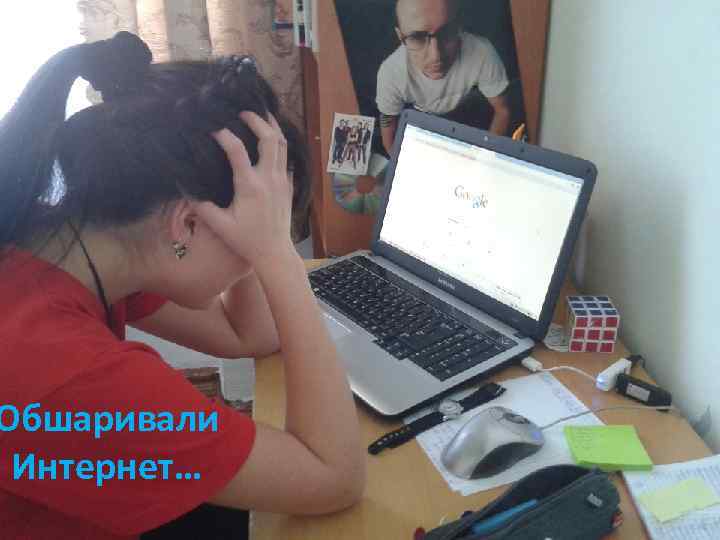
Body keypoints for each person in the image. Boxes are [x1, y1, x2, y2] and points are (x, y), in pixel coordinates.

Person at [0, 32, 365, 540]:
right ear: (187, 224)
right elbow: (334, 477)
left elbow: (248, 334)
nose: (257, 246)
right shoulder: (71, 376)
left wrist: (262, 238)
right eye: (256, 227)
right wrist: (276, 254)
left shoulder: (70, 242)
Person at [377, 0, 511, 154]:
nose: (436, 56)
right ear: (400, 37)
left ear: (459, 24)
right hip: (419, 123)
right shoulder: (391, 72)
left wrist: (485, 159)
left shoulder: (481, 51)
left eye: (447, 32)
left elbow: (503, 111)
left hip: (471, 112)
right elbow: (389, 133)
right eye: (417, 37)